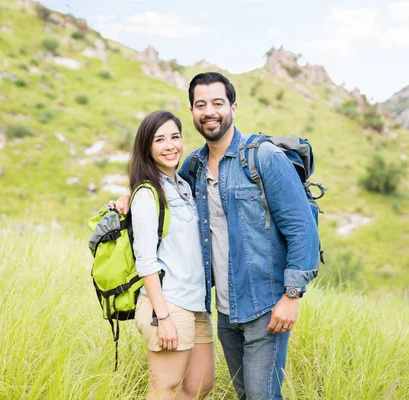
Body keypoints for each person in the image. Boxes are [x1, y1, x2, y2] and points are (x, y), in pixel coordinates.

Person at [115, 73, 320, 400]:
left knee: (261, 396)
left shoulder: (263, 158)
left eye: (217, 103)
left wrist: (291, 296)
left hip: (266, 306)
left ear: (233, 107)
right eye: (200, 105)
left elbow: (301, 229)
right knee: (240, 393)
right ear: (193, 112)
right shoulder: (192, 167)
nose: (209, 111)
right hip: (223, 310)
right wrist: (130, 198)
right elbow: (158, 193)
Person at [127, 110, 215, 400]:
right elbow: (146, 261)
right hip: (168, 305)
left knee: (199, 386)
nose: (170, 146)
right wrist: (162, 316)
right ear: (147, 148)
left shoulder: (184, 187)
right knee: (165, 390)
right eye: (159, 139)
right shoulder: (147, 193)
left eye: (175, 137)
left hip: (196, 304)